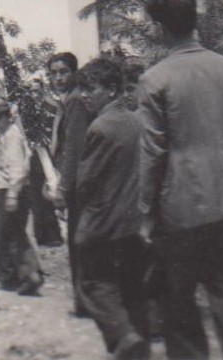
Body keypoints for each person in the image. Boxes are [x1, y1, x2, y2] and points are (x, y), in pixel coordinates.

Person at [136, 0, 223, 359]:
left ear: (160, 28)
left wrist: (145, 213)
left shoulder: (154, 80)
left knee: (178, 302)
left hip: (183, 207)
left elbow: (154, 152)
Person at [75, 58, 150, 360]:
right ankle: (137, 343)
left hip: (105, 219)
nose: (84, 94)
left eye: (90, 88)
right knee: (133, 287)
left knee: (93, 282)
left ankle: (124, 335)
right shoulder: (137, 120)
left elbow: (85, 181)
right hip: (135, 218)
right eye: (82, 88)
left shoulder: (101, 126)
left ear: (111, 90)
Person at [0, 97, 42, 295]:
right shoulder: (4, 136)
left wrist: (13, 194)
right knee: (10, 234)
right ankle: (19, 274)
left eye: (0, 118)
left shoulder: (12, 136)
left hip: (12, 190)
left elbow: (19, 168)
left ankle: (22, 275)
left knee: (8, 234)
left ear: (8, 117)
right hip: (3, 188)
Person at [48, 51, 95, 317]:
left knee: (80, 241)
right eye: (53, 73)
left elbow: (73, 150)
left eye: (63, 71)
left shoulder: (76, 101)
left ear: (74, 73)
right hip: (80, 181)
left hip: (79, 183)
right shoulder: (69, 101)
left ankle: (85, 302)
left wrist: (63, 189)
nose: (58, 78)